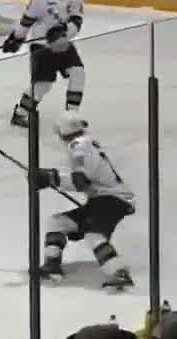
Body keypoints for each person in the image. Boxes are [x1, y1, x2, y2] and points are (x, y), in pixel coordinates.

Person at [33, 111, 135, 289]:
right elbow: (82, 179)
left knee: (93, 233)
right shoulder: (85, 144)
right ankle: (52, 266)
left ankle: (118, 273)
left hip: (113, 199)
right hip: (101, 200)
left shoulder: (79, 146)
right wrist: (51, 177)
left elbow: (80, 181)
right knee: (58, 223)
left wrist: (51, 177)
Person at [3, 0, 85, 128]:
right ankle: (21, 113)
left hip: (63, 44)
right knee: (43, 84)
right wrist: (16, 38)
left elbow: (77, 21)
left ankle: (71, 116)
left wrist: (64, 33)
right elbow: (27, 21)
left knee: (78, 73)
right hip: (42, 46)